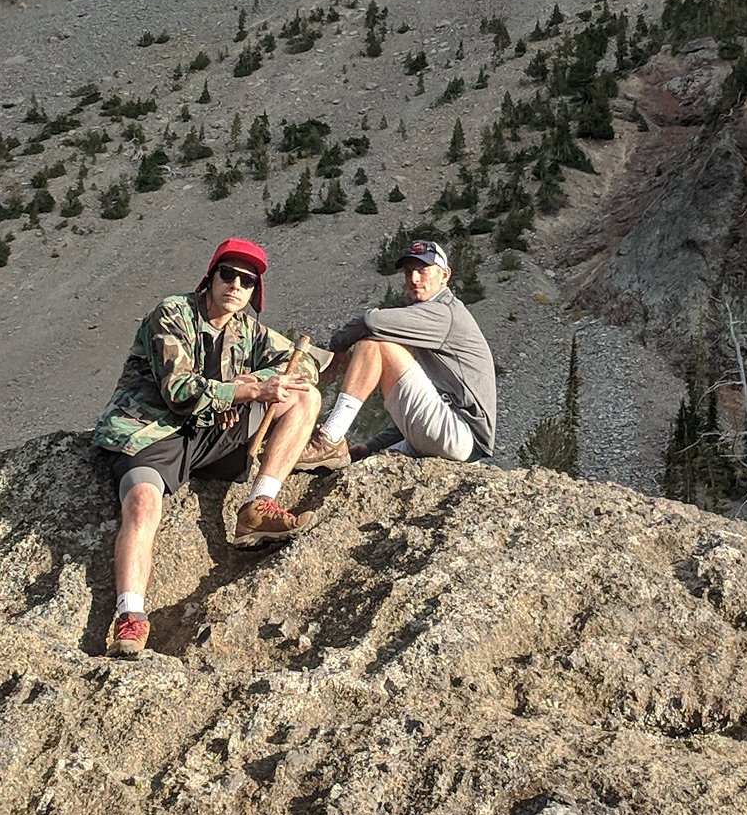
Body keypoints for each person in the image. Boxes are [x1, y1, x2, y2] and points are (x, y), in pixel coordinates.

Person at [92, 237, 320, 657]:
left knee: (304, 395)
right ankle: (130, 617)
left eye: (247, 281)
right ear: (211, 277)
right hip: (152, 430)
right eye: (228, 274)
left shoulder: (246, 329)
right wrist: (242, 391)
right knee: (142, 503)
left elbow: (307, 362)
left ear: (255, 292)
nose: (236, 285)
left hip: (208, 433)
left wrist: (251, 385)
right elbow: (178, 389)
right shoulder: (173, 313)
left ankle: (259, 504)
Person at [308, 238, 498, 468]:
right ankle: (340, 446)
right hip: (456, 436)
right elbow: (432, 399)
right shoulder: (439, 313)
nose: (414, 279)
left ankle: (328, 438)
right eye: (408, 272)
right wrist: (372, 446)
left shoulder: (444, 313)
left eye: (423, 270)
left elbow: (372, 320)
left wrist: (338, 346)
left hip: (462, 435)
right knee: (362, 462)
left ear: (445, 274)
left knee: (373, 344)